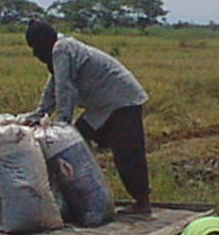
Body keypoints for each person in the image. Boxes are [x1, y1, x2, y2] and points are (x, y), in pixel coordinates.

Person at [23, 19, 152, 214]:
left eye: (36, 48)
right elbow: (53, 87)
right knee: (79, 138)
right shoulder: (60, 51)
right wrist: (38, 114)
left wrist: (62, 126)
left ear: (43, 43)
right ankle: (85, 193)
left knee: (127, 153)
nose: (35, 55)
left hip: (121, 100)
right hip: (102, 106)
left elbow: (65, 90)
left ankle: (142, 202)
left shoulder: (61, 49)